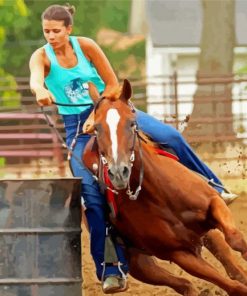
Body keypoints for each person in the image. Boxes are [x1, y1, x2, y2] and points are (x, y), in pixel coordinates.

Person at [29, 3, 237, 294]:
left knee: (170, 136)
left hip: (112, 109)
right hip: (78, 130)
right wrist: (40, 91)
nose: (50, 36)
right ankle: (110, 268)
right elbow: (36, 78)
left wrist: (97, 114)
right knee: (89, 198)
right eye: (46, 31)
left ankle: (213, 185)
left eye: (55, 31)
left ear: (68, 30)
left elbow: (112, 83)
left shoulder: (86, 46)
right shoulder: (41, 57)